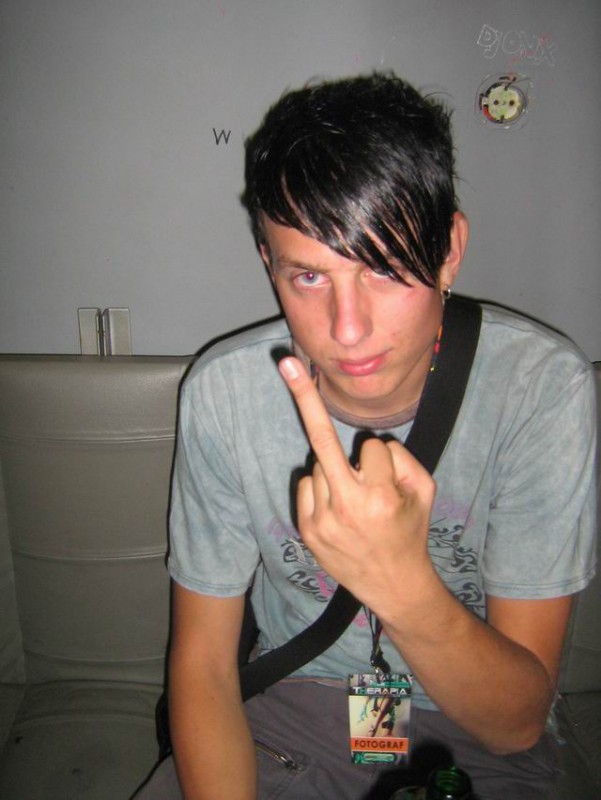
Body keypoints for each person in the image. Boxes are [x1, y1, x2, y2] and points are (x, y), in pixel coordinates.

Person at [134, 73, 597, 800]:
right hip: (287, 716)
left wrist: (399, 582)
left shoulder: (539, 388)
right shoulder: (225, 393)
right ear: (268, 264)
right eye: (309, 278)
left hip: (468, 736)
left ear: (448, 250)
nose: (347, 330)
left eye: (383, 268)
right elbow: (204, 665)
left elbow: (513, 725)